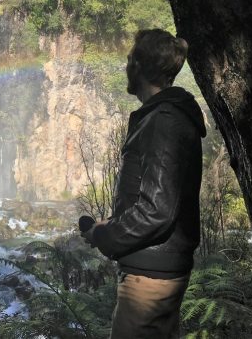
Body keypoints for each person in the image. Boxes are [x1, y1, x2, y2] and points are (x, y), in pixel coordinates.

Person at [81, 28, 206, 339]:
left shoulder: (163, 120)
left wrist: (104, 235)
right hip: (158, 269)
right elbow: (157, 196)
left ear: (138, 65)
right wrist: (114, 223)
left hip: (149, 280)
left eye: (128, 59)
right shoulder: (166, 116)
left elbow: (157, 210)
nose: (125, 65)